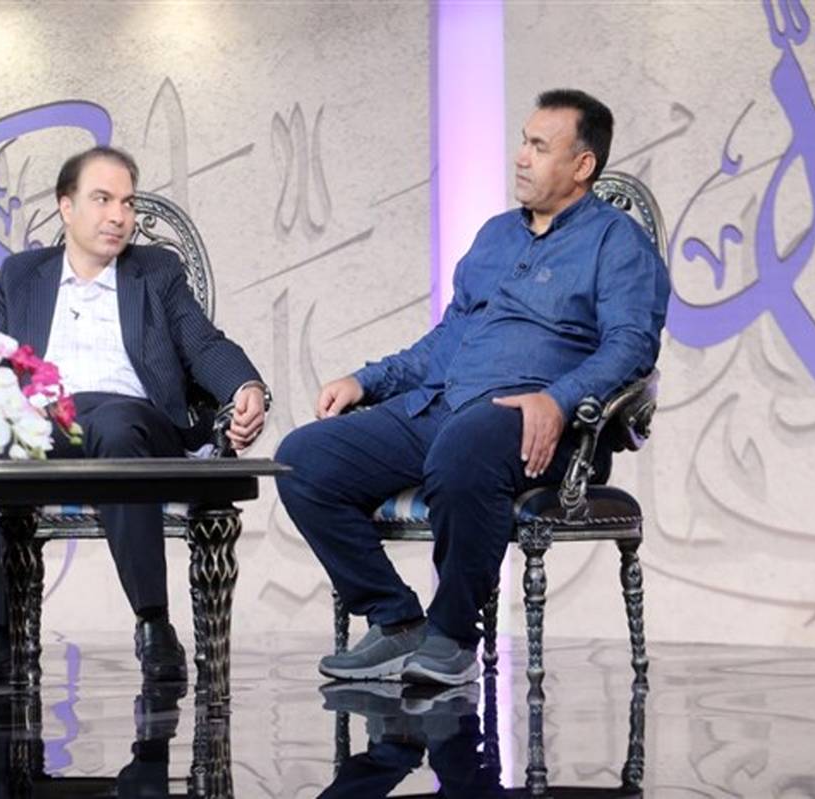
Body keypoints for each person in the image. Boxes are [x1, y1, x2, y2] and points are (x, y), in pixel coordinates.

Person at [275, 89, 670, 686]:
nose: (521, 156)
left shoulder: (617, 243)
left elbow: (631, 346)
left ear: (582, 165)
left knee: (467, 446)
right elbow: (446, 340)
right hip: (443, 406)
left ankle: (452, 635)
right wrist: (365, 380)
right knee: (303, 460)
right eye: (523, 141)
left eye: (540, 147)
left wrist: (559, 400)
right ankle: (396, 621)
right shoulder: (495, 236)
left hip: (535, 421)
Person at [0, 146, 269, 683]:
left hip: (136, 421)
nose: (119, 216)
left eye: (127, 203)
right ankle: (4, 631)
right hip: (45, 422)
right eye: (102, 200)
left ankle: (153, 623)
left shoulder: (156, 272)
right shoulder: (22, 275)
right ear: (66, 206)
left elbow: (202, 344)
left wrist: (245, 385)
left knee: (113, 426)